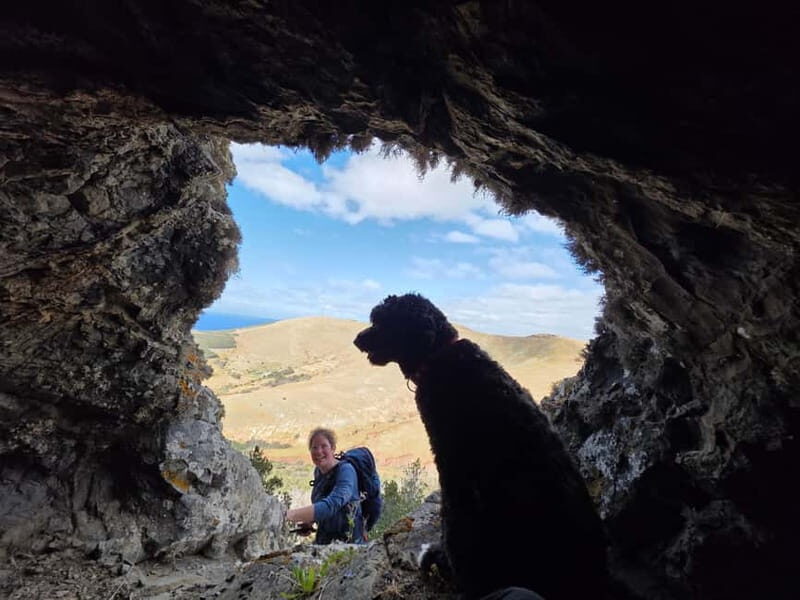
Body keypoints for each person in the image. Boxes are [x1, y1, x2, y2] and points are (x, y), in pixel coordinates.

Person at [286, 427, 365, 544]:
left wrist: (288, 515)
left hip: (348, 545)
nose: (319, 451)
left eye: (324, 446)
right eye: (314, 447)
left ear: (333, 448)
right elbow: (323, 502)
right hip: (324, 541)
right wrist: (310, 521)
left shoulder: (346, 471)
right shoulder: (318, 472)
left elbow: (333, 504)